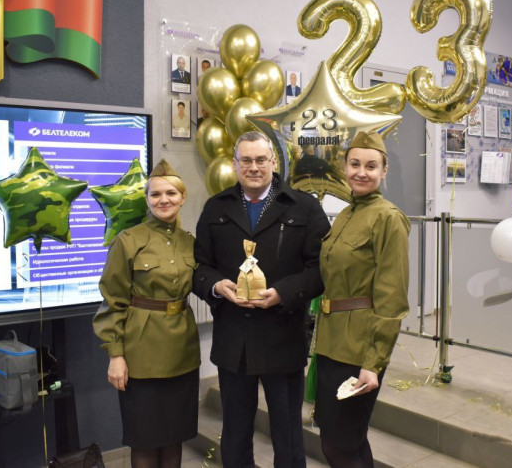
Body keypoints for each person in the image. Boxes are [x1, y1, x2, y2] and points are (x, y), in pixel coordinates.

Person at [193, 131, 330, 468]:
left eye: (260, 160)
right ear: (235, 164)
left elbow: (321, 269)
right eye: (246, 160)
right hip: (233, 339)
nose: (253, 167)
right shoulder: (216, 207)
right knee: (235, 433)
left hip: (283, 335)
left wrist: (283, 293)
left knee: (288, 435)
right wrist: (216, 286)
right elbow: (199, 267)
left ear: (273, 163)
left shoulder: (304, 207)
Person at [93, 159, 199, 468]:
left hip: (183, 352)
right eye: (156, 194)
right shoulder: (128, 241)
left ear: (182, 197)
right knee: (145, 439)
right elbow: (112, 301)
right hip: (141, 354)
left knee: (174, 437)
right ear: (147, 199)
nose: (164, 200)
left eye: (171, 193)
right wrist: (115, 355)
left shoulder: (190, 243)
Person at [313, 131, 410, 468]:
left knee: (339, 445)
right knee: (342, 439)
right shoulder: (346, 214)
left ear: (384, 171)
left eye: (371, 166)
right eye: (355, 164)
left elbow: (392, 297)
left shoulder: (388, 218)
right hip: (330, 342)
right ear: (344, 168)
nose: (361, 172)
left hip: (358, 347)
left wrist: (373, 362)